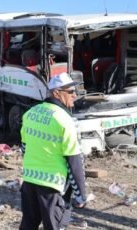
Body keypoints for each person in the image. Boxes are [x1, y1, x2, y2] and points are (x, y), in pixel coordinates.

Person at [20, 72, 87, 230]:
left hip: (29, 181)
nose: (74, 95)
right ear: (56, 93)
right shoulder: (65, 120)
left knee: (28, 225)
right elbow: (74, 161)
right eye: (70, 92)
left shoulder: (30, 113)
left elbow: (24, 148)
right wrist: (81, 195)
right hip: (52, 186)